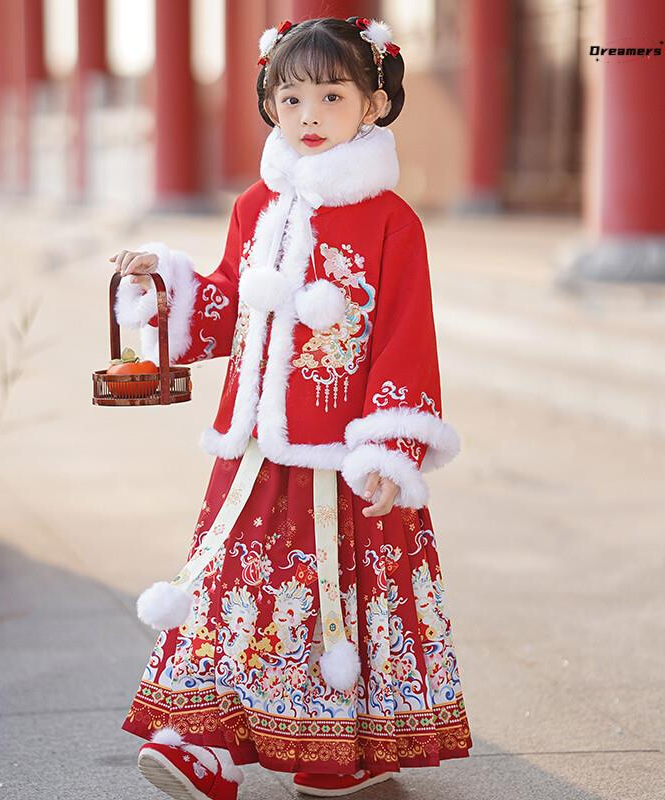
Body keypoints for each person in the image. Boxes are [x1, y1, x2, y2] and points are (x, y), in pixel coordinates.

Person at [110, 16, 473, 800]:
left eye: (331, 96)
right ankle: (200, 742)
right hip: (253, 456)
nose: (308, 114)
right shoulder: (257, 209)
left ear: (373, 104)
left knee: (337, 601)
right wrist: (163, 288)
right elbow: (227, 306)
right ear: (270, 102)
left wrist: (391, 450)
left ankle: (335, 749)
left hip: (343, 461)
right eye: (291, 95)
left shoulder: (391, 222)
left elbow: (407, 338)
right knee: (231, 590)